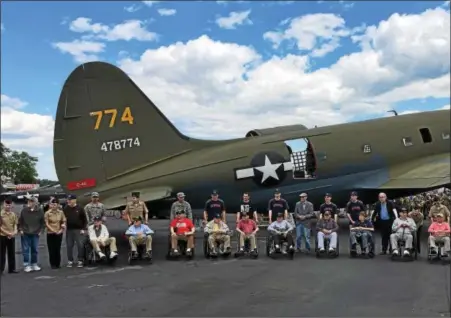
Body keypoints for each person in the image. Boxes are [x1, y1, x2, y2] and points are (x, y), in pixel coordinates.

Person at [18, 197, 45, 272]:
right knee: (26, 250)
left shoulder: (40, 211)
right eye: (29, 201)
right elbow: (20, 221)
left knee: (35, 249)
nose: (30, 203)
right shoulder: (24, 210)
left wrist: (41, 231)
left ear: (35, 203)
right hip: (25, 233)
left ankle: (34, 264)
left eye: (32, 202)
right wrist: (20, 230)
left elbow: (43, 222)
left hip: (35, 233)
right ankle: (26, 265)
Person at [63, 194, 88, 268]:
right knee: (69, 245)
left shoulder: (80, 208)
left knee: (80, 245)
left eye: (70, 200)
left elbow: (84, 219)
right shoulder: (66, 208)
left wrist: (83, 229)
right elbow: (63, 218)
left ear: (74, 200)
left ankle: (80, 260)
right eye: (68, 200)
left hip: (79, 230)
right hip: (69, 230)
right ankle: (70, 260)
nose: (68, 201)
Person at [44, 198, 66, 269]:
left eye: (55, 204)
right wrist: (53, 230)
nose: (53, 206)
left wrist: (62, 229)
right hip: (50, 233)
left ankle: (58, 263)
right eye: (52, 204)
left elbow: (63, 221)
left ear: (58, 205)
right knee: (51, 249)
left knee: (57, 248)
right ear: (50, 205)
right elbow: (46, 223)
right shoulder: (47, 213)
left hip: (59, 232)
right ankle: (52, 264)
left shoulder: (61, 212)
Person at [0, 198, 18, 274]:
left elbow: (15, 224)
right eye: (6, 205)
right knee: (2, 253)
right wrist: (8, 233)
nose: (8, 206)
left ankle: (12, 269)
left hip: (11, 235)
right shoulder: (1, 214)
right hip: (2, 235)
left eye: (9, 205)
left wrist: (14, 232)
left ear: (11, 205)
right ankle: (1, 269)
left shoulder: (13, 214)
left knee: (12, 253)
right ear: (4, 205)